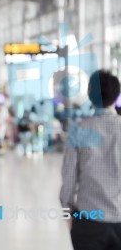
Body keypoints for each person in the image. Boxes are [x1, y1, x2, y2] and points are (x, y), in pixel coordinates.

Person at [60, 70, 121, 250]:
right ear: (117, 95)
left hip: (88, 221)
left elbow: (68, 180)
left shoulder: (79, 130)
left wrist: (68, 215)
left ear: (90, 95)